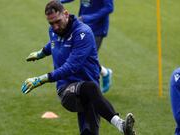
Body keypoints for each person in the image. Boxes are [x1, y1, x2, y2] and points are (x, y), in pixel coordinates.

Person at [21, 1, 135, 135]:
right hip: (67, 90)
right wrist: (41, 53)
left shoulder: (83, 33)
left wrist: (40, 79)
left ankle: (121, 126)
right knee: (90, 88)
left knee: (89, 132)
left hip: (91, 93)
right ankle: (121, 125)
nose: (55, 27)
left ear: (66, 14)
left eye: (57, 21)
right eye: (51, 23)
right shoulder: (54, 30)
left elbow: (71, 67)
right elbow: (54, 41)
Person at [60, 0, 114, 93]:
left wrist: (89, 17)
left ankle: (88, 90)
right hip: (82, 26)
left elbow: (109, 7)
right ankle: (104, 73)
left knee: (83, 59)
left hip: (97, 29)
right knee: (81, 57)